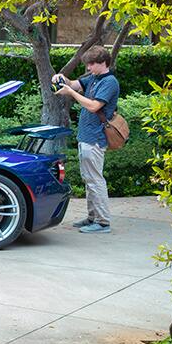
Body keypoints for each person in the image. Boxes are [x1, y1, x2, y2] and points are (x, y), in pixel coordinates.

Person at [52, 45, 120, 234]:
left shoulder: (109, 82)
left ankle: (103, 222)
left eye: (91, 64)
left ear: (103, 63)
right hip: (87, 137)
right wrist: (60, 78)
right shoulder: (94, 78)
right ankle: (92, 217)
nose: (88, 68)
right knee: (88, 179)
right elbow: (74, 83)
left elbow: (93, 106)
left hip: (96, 139)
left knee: (95, 180)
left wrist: (72, 94)